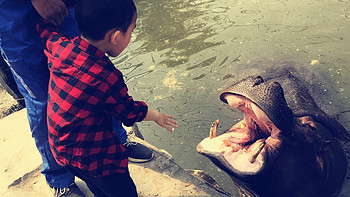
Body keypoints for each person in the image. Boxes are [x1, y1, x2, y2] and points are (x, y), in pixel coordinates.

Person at [0, 0, 155, 196]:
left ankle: (118, 139)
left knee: (94, 68)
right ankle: (59, 178)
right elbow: (130, 110)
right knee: (41, 98)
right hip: (19, 15)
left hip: (70, 7)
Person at [37, 0, 178, 196]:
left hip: (61, 150)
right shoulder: (106, 77)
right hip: (97, 160)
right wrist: (155, 115)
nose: (130, 36)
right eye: (131, 30)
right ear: (116, 37)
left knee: (96, 186)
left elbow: (45, 29)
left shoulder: (60, 47)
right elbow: (129, 113)